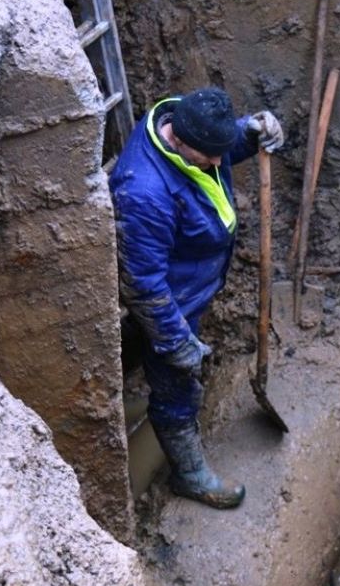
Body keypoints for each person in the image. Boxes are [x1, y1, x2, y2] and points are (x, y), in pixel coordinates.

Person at [109, 87, 283, 510]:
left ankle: (133, 379)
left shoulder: (186, 127)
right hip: (172, 306)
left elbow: (219, 146)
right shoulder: (144, 195)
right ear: (180, 143)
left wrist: (252, 131)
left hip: (191, 284)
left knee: (149, 354)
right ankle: (189, 476)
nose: (221, 164)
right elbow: (143, 286)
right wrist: (177, 343)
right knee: (176, 387)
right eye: (212, 156)